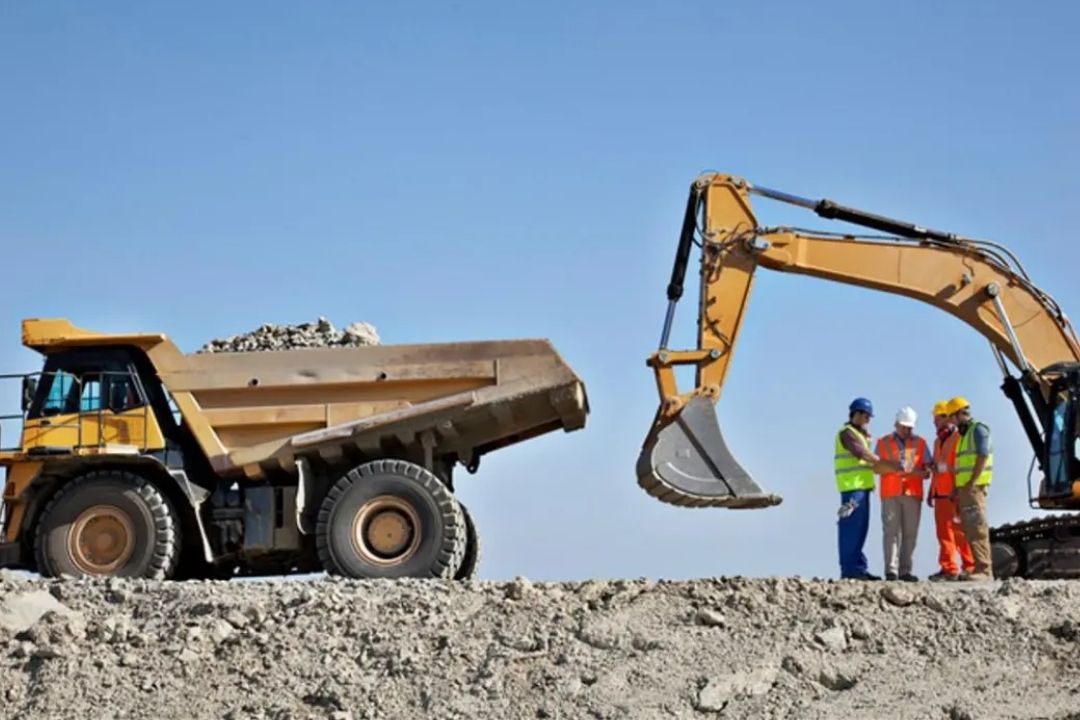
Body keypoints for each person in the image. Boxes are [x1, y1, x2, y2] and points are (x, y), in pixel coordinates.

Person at [834, 397, 903, 580]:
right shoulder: (847, 434)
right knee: (851, 529)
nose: (867, 421)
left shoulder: (860, 435)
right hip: (852, 489)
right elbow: (861, 454)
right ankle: (851, 570)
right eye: (866, 416)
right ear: (856, 414)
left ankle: (858, 568)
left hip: (861, 488)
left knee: (860, 529)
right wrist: (886, 463)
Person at [874, 407, 931, 581]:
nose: (907, 430)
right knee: (891, 532)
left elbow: (928, 467)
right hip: (891, 493)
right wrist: (893, 467)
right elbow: (876, 467)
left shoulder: (920, 443)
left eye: (910, 427)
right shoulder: (883, 443)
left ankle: (905, 570)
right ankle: (891, 570)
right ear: (896, 424)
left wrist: (922, 472)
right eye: (904, 427)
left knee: (910, 533)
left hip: (912, 494)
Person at [927, 400, 974, 581]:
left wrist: (956, 488)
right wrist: (931, 492)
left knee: (960, 532)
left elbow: (957, 466)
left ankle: (969, 566)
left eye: (937, 418)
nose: (934, 422)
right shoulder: (937, 441)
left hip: (953, 493)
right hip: (940, 493)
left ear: (946, 418)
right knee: (943, 534)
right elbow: (938, 468)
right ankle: (949, 568)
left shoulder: (957, 438)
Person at [949, 396, 994, 581]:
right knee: (970, 529)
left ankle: (984, 570)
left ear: (959, 414)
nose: (951, 422)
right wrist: (957, 488)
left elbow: (983, 456)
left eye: (952, 417)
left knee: (977, 528)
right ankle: (979, 567)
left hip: (974, 489)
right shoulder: (964, 435)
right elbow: (963, 465)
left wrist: (971, 482)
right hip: (966, 489)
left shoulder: (978, 430)